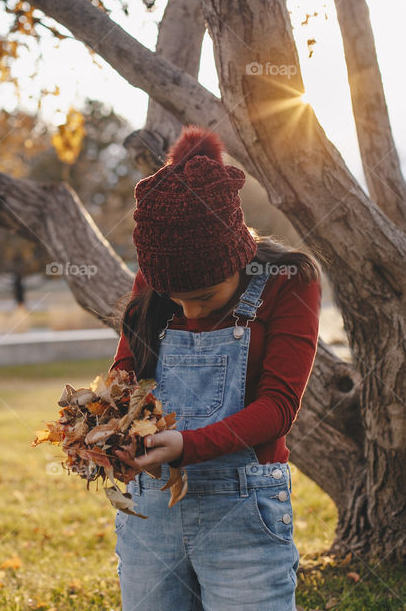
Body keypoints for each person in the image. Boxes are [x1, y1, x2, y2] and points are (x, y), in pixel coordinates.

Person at [110, 125, 322, 610]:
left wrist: (186, 446)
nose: (191, 312)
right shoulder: (160, 276)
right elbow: (126, 374)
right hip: (151, 511)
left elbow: (279, 408)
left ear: (239, 256)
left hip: (243, 511)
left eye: (205, 297)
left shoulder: (288, 281)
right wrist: (109, 433)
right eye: (176, 300)